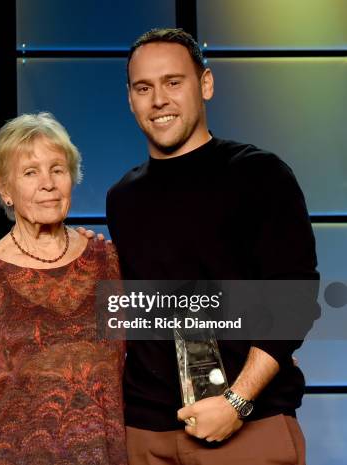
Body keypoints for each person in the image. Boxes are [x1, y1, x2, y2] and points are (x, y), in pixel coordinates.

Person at [106, 28, 319, 465]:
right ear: (130, 99)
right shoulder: (122, 197)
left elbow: (294, 298)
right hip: (145, 434)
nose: (158, 99)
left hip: (246, 427)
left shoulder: (260, 175)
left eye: (173, 82)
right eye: (143, 88)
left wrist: (236, 402)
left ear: (205, 84)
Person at [0, 112, 127, 465]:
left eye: (58, 169)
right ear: (4, 188)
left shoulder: (108, 263)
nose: (48, 183)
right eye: (30, 172)